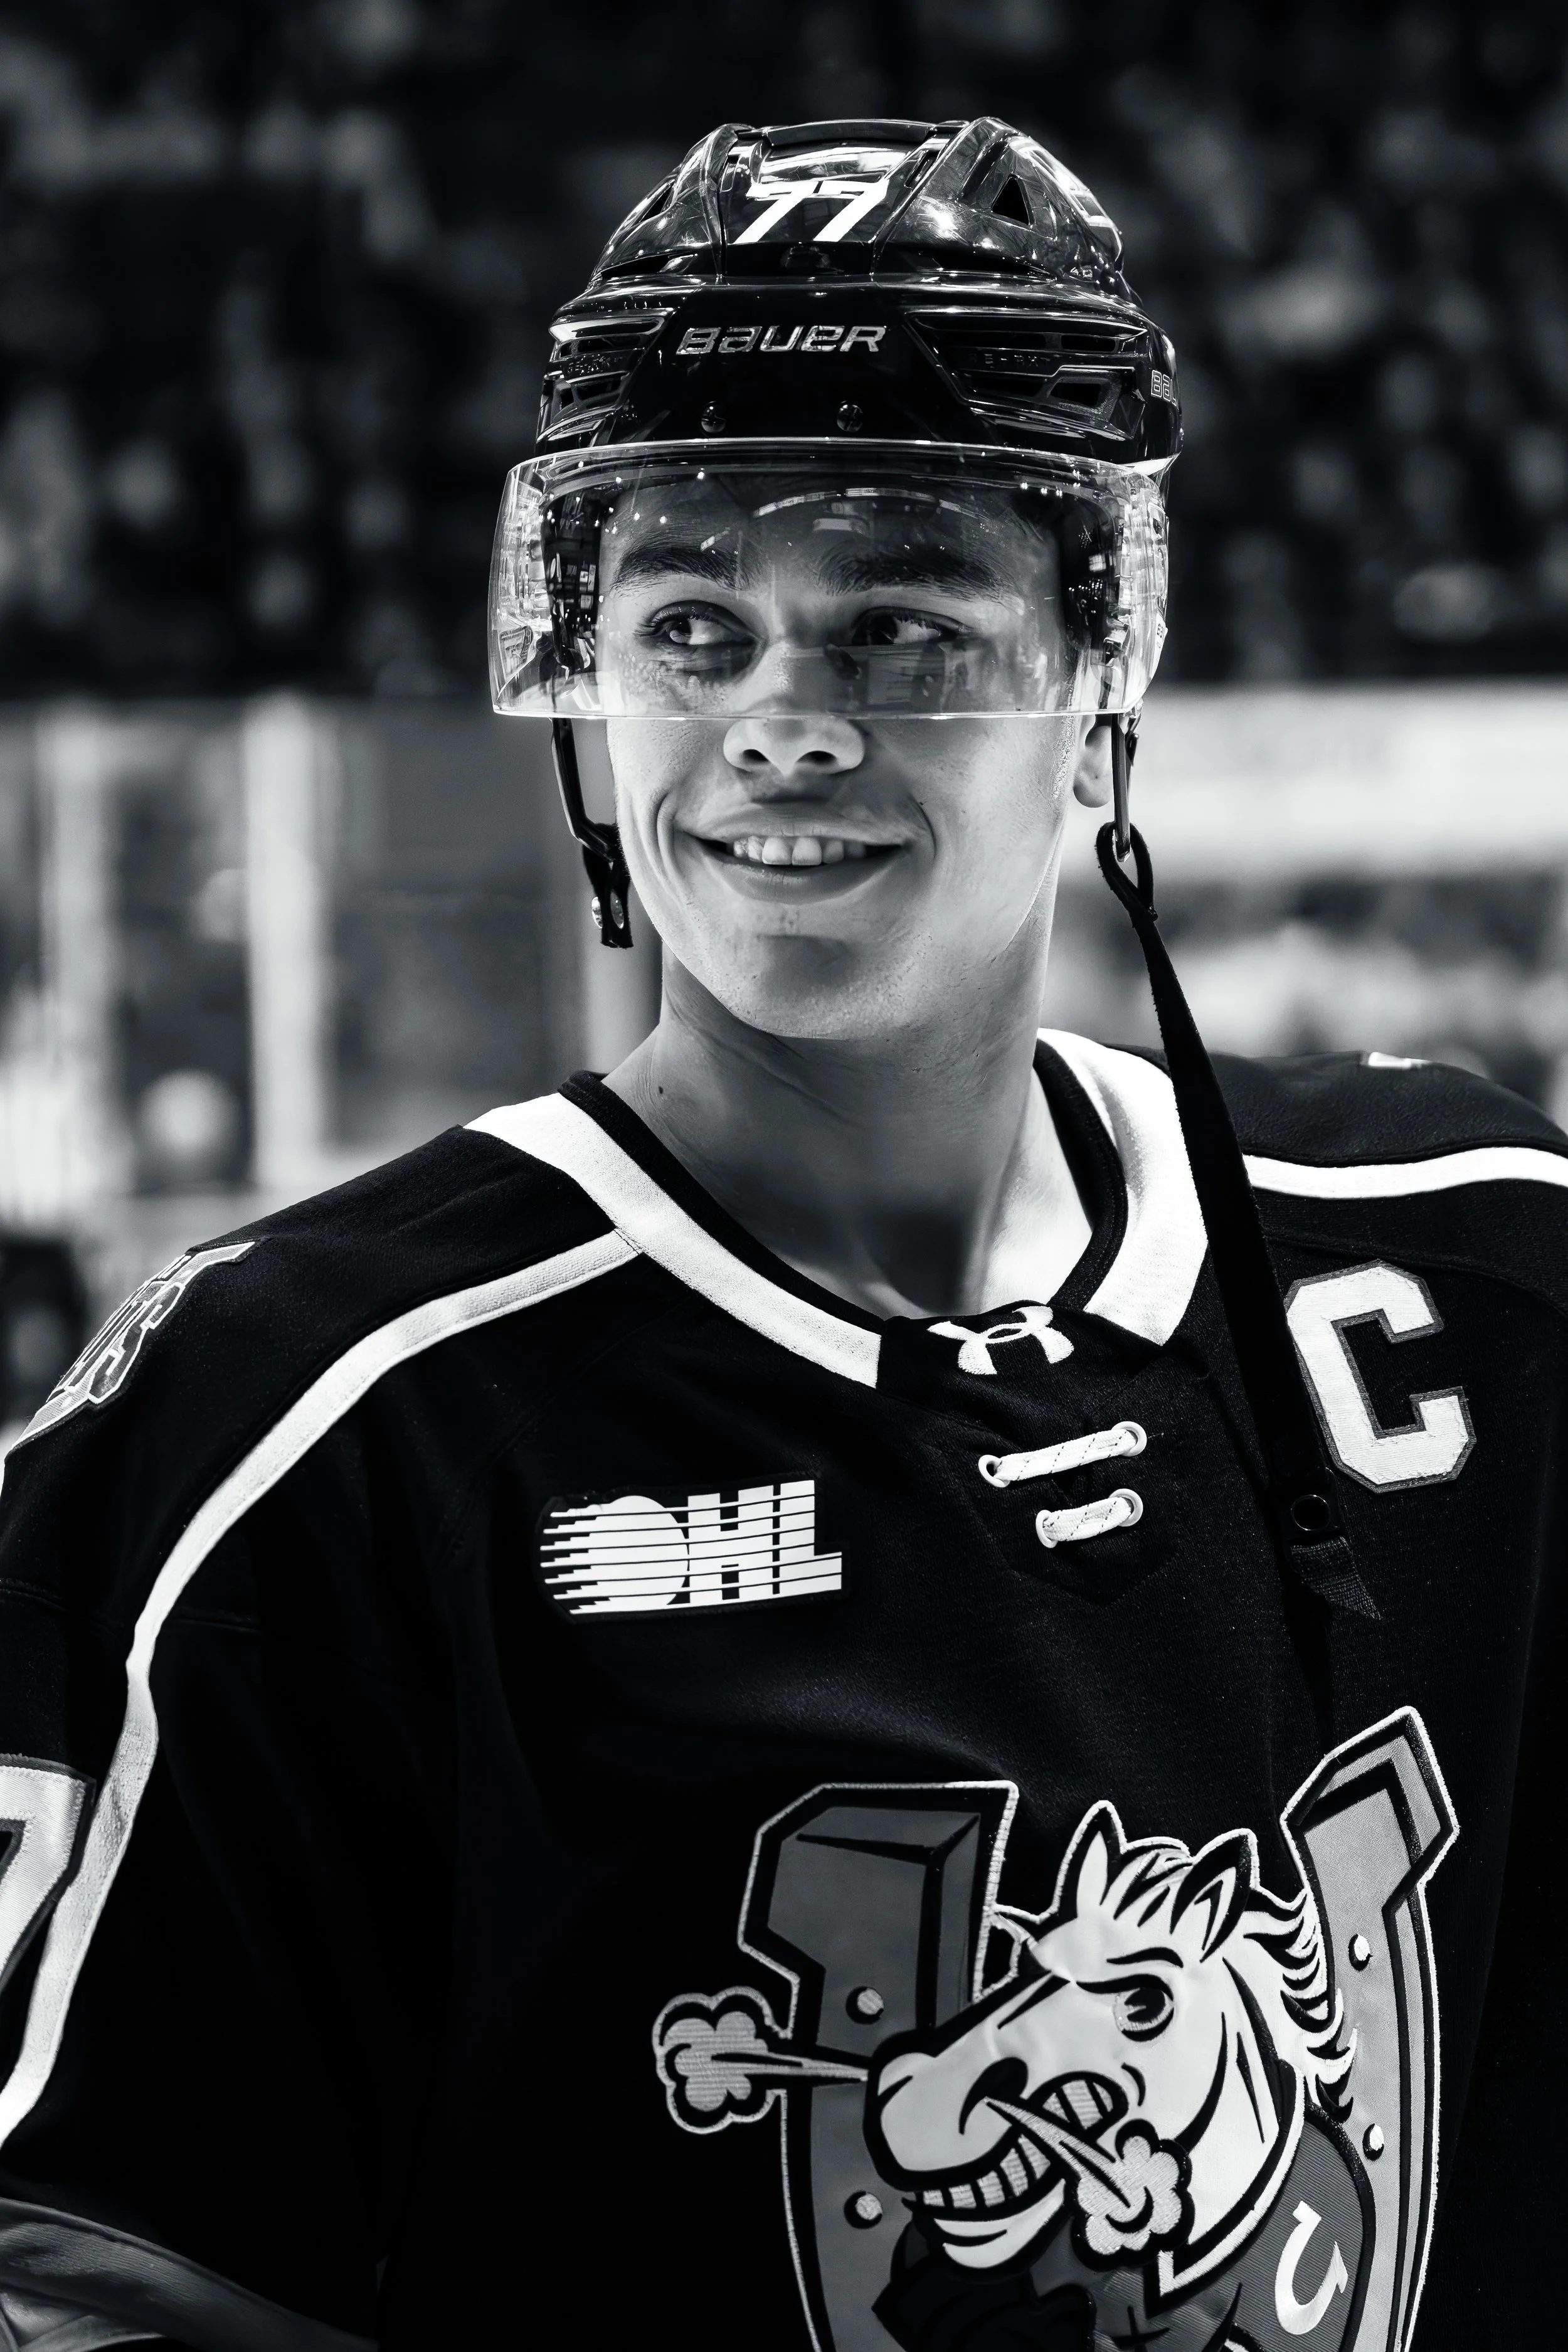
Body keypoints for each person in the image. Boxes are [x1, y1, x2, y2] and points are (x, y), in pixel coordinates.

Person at [0, 115, 1560, 2352]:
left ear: (1096, 682)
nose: (780, 727)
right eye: (690, 627)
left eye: (903, 626)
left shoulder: (1481, 1264)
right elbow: (81, 2274)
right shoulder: (306, 1423)